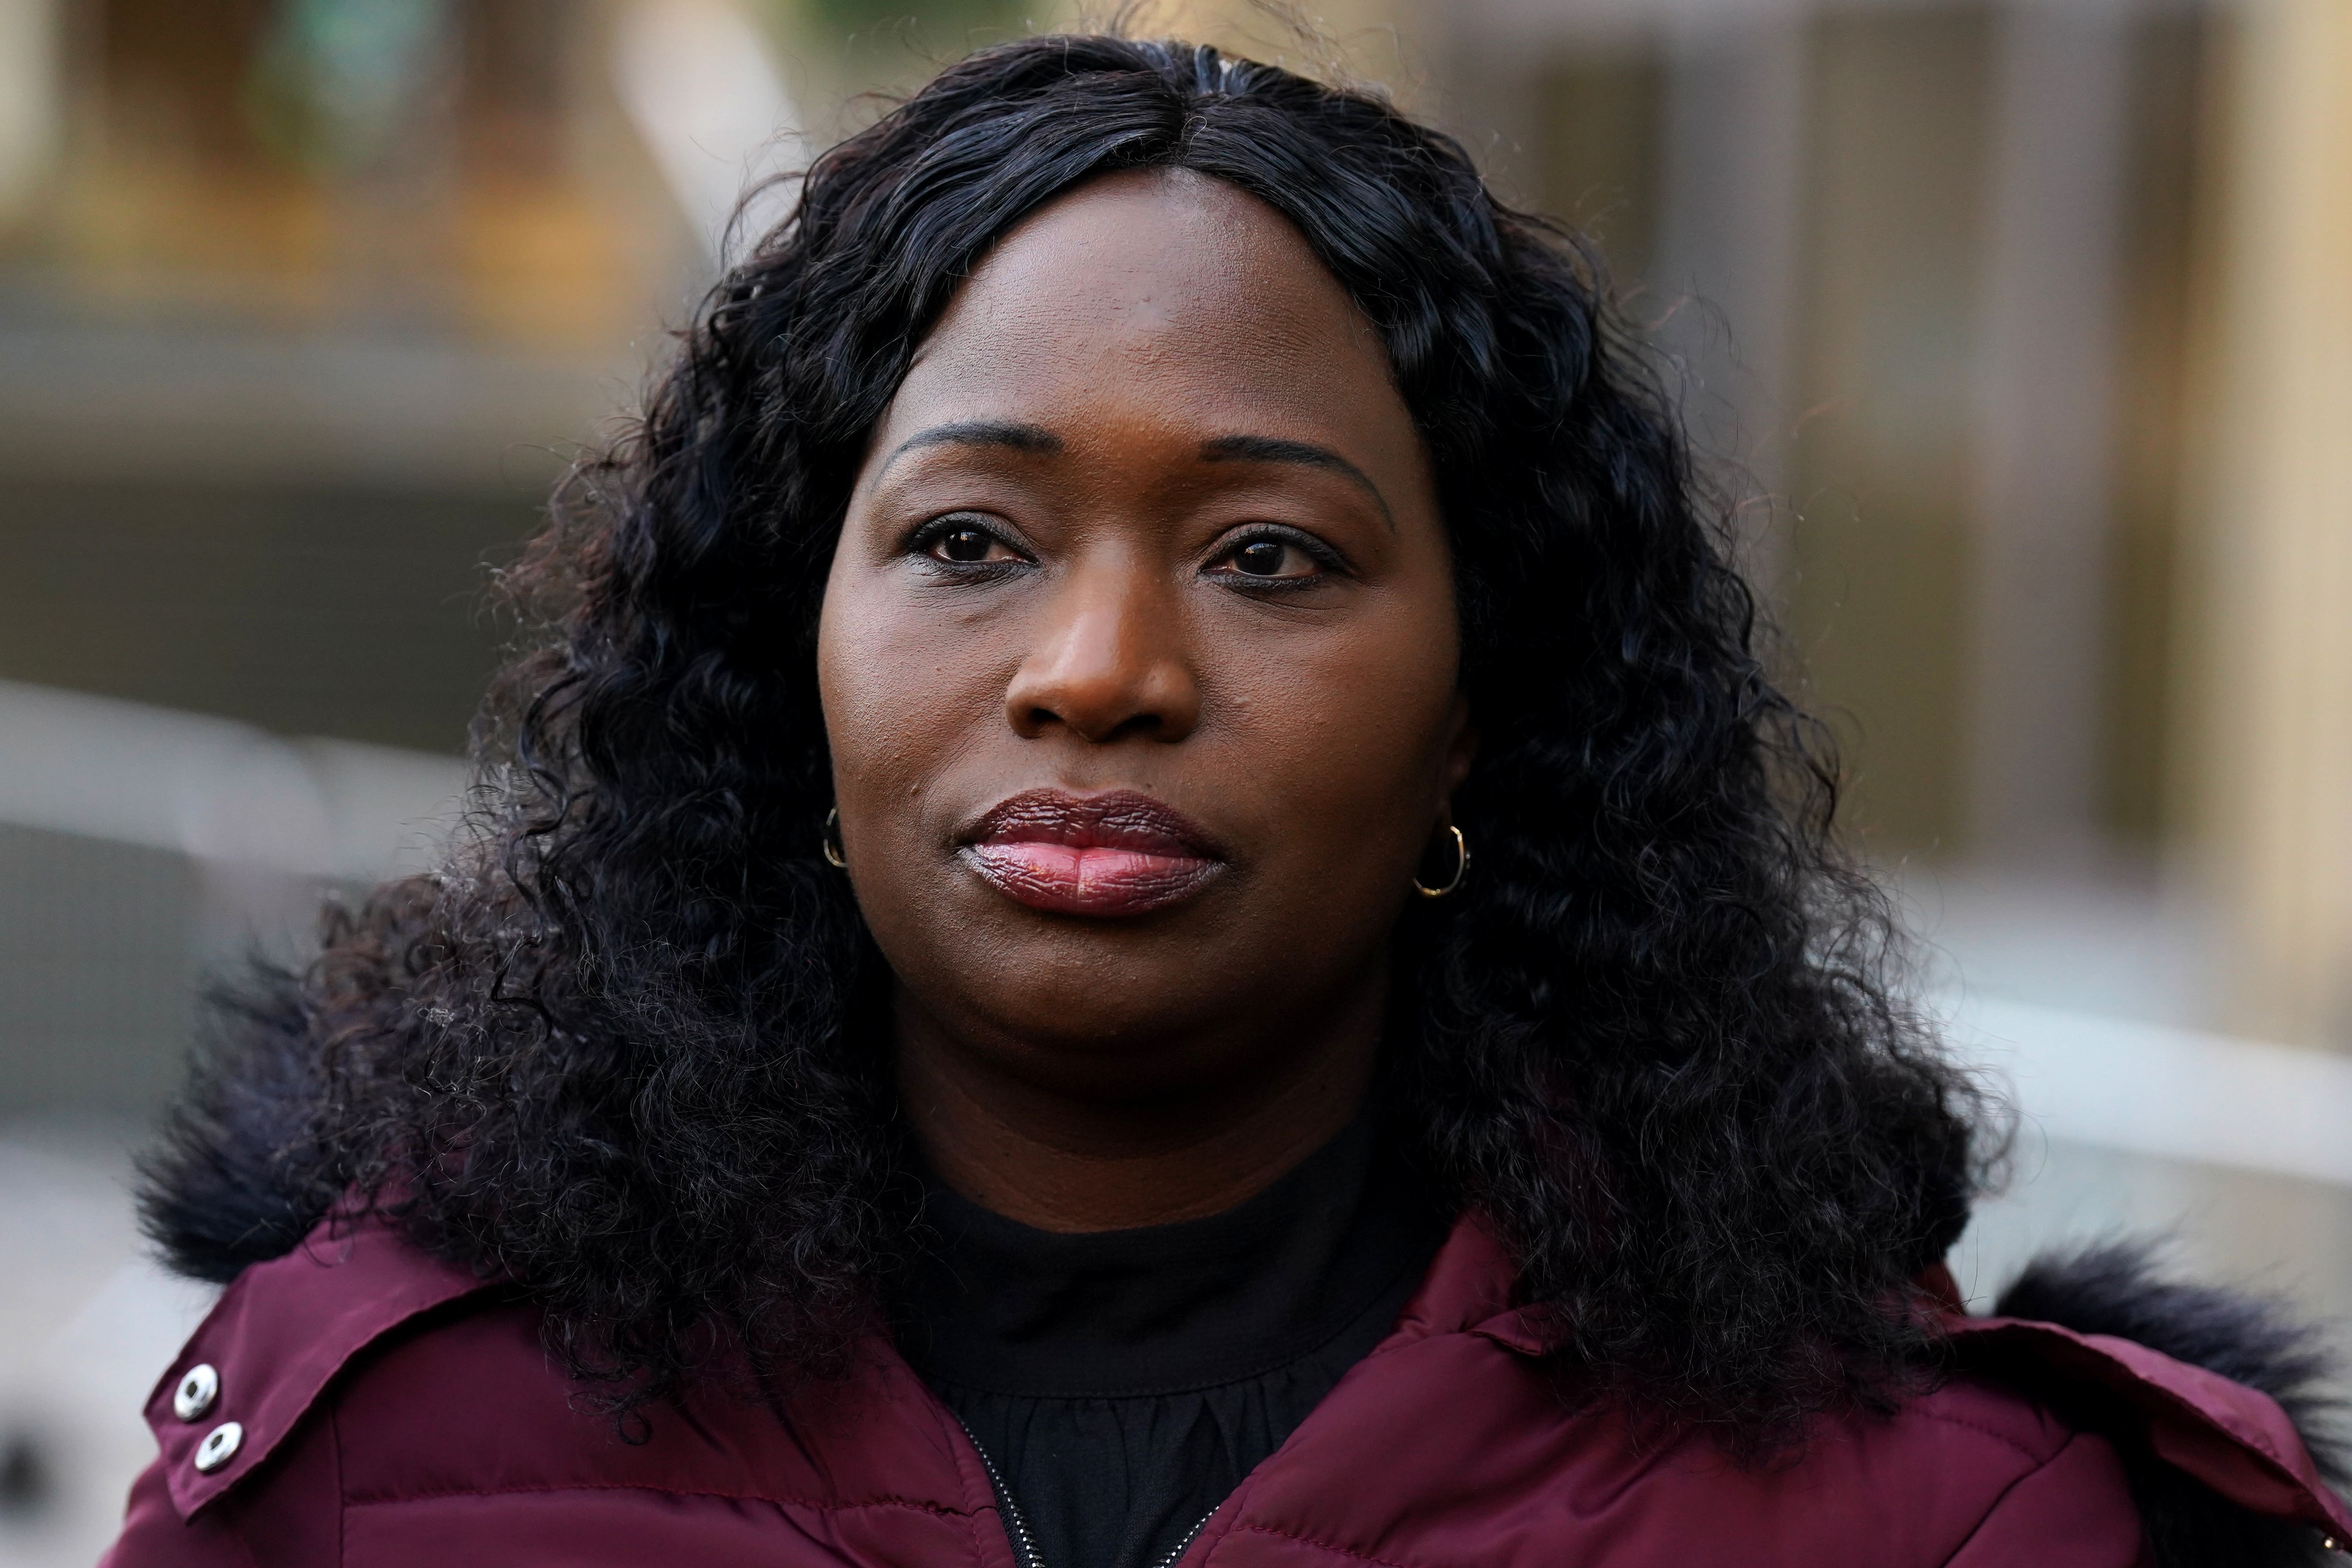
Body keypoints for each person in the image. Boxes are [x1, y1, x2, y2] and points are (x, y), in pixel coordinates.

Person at [106, 34, 2346, 1568]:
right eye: (969, 541)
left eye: (1272, 556)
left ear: (1487, 704)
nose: (1098, 669)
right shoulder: (365, 1454)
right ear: (794, 650)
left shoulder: (1947, 1514)